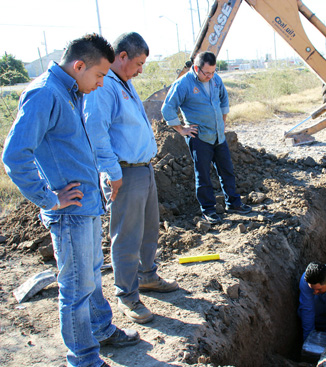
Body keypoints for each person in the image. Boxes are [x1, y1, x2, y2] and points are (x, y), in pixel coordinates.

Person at [2, 34, 139, 367]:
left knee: (90, 277)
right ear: (79, 65)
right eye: (100, 75)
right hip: (69, 213)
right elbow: (15, 155)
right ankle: (84, 360)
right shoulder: (44, 94)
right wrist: (48, 198)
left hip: (87, 205)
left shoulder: (70, 91)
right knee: (76, 290)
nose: (102, 82)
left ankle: (101, 330)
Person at [83, 32, 178, 325]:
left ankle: (147, 276)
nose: (140, 70)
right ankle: (127, 295)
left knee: (149, 229)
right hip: (123, 172)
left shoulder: (125, 83)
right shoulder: (104, 87)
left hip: (143, 168)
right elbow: (96, 132)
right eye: (137, 63)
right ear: (121, 56)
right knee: (126, 236)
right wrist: (112, 173)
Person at [161, 51, 251, 224]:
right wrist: (182, 130)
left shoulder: (216, 79)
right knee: (203, 175)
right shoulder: (183, 84)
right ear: (196, 68)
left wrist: (223, 122)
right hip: (199, 137)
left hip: (218, 135)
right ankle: (208, 211)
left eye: (213, 72)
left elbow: (224, 100)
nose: (210, 76)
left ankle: (233, 203)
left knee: (227, 170)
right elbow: (167, 109)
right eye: (206, 73)